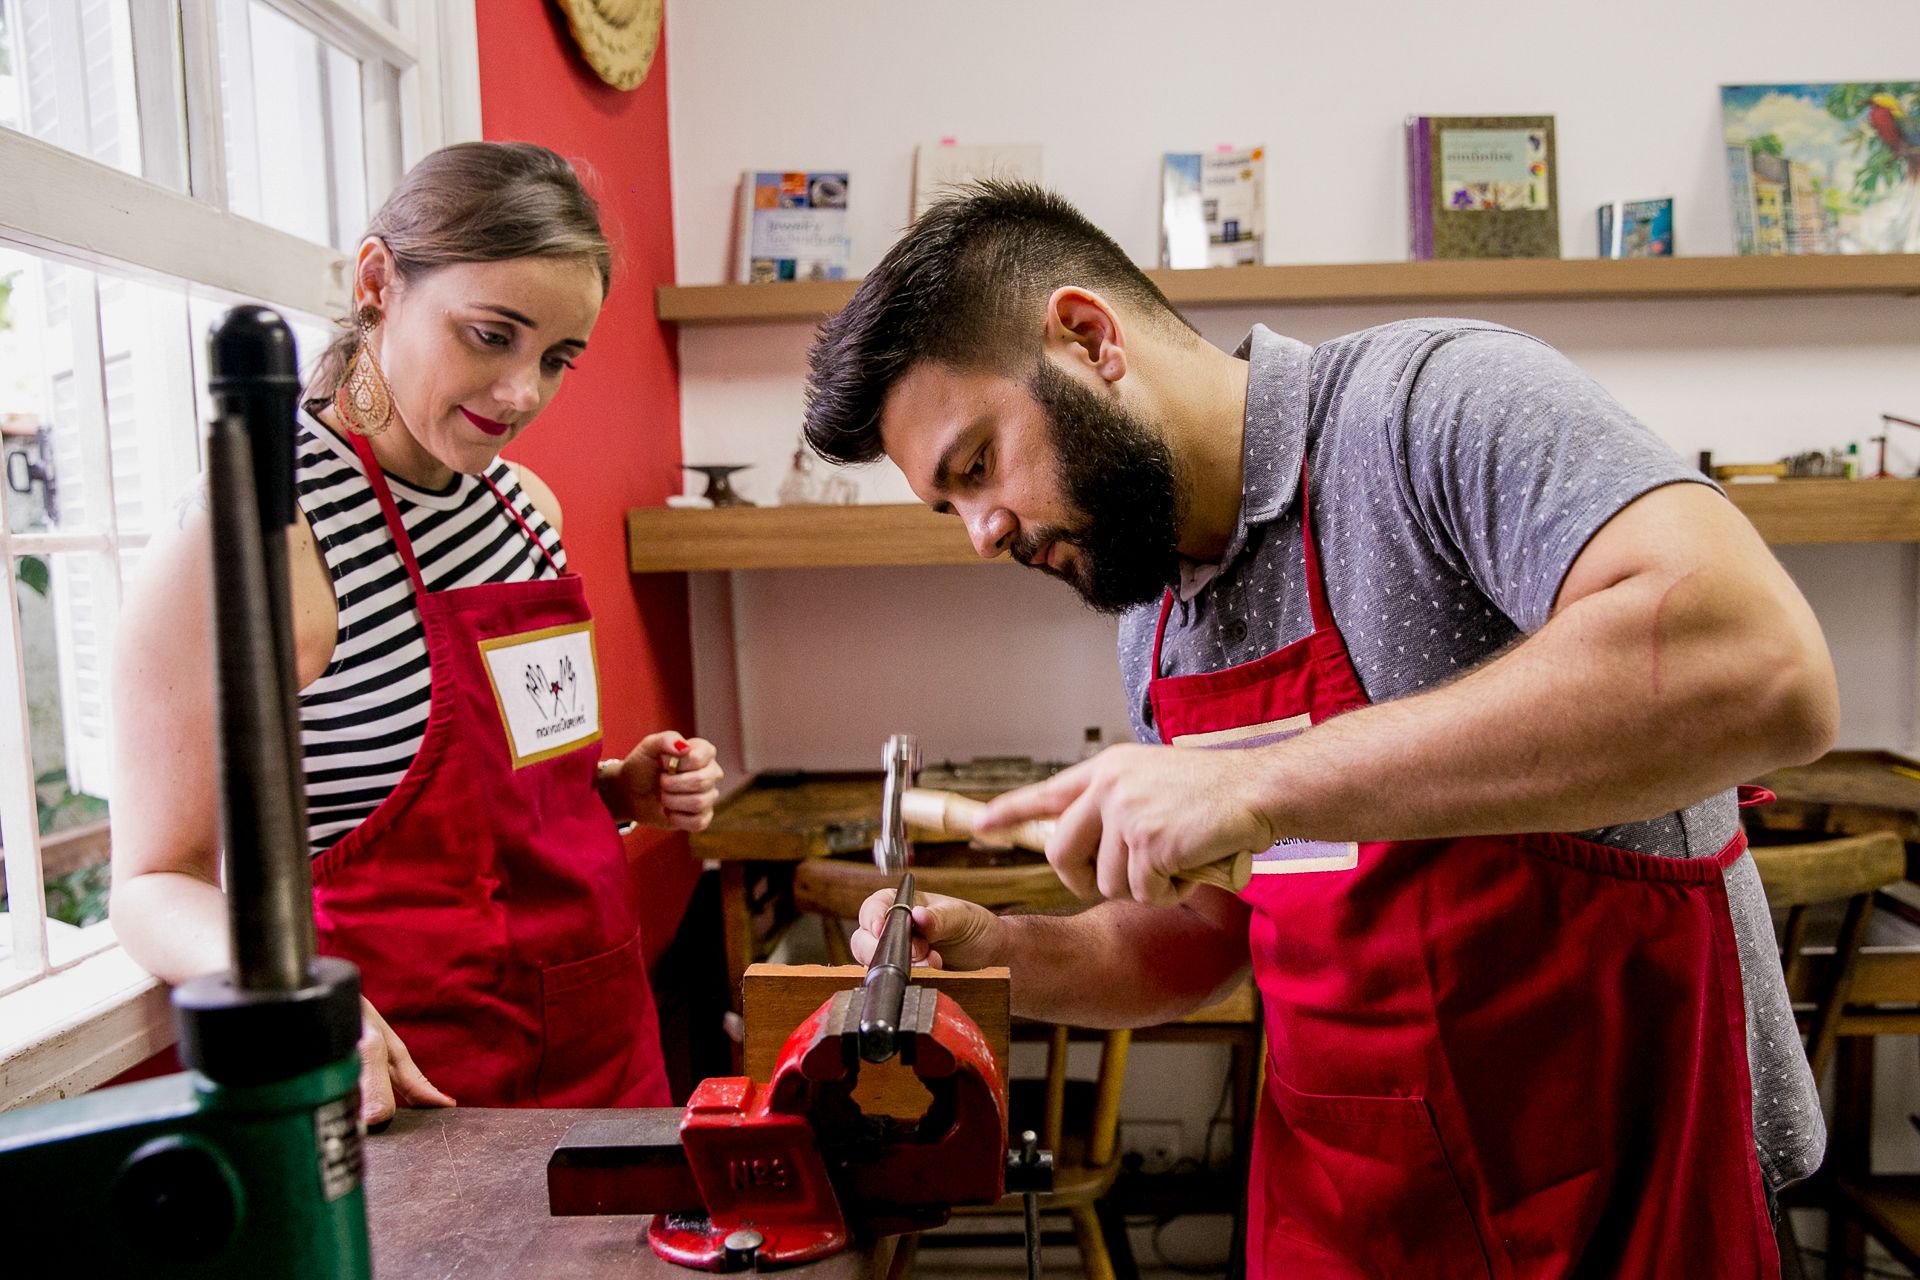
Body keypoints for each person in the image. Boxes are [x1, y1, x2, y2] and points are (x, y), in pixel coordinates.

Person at [804, 182, 1838, 1276]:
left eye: (977, 464)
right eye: (949, 504)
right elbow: (1210, 933)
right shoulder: (1154, 614)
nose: (982, 532)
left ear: (1087, 336)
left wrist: (1262, 783)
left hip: (1629, 1188)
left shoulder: (1432, 405)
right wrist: (1008, 957)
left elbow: (1762, 666)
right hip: (1358, 1214)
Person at [110, 142, 721, 1123]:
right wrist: (303, 994)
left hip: (609, 1052)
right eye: (490, 335)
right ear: (377, 281)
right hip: (414, 1082)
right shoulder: (258, 536)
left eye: (557, 358)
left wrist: (617, 786)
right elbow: (149, 882)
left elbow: (511, 802)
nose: (522, 394)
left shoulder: (526, 511)